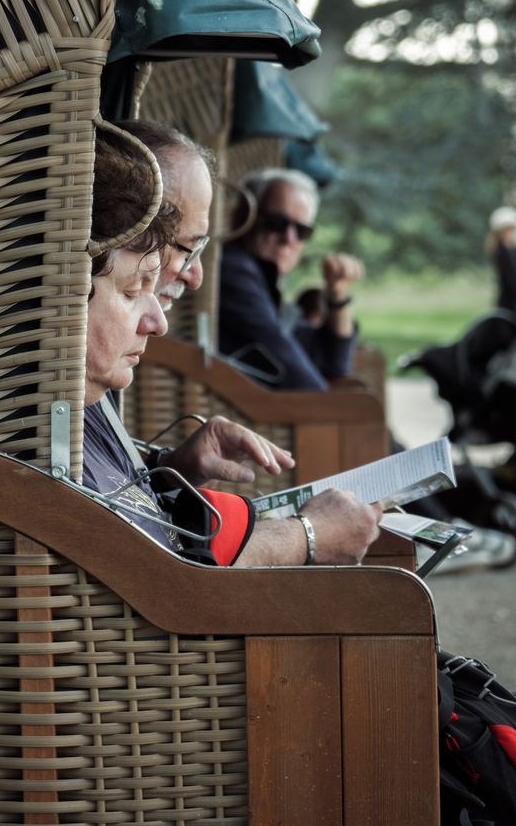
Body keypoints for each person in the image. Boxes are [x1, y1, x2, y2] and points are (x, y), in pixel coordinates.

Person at [82, 123, 382, 568]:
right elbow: (153, 573)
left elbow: (120, 517)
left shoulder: (84, 399)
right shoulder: (56, 404)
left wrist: (175, 469)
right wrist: (307, 537)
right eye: (185, 247)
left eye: (303, 232)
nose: (159, 323)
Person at [218, 168, 364, 391]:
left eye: (302, 230)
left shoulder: (263, 278)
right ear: (247, 216)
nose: (289, 238)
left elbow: (333, 365)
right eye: (277, 223)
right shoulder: (234, 270)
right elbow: (290, 365)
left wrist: (337, 293)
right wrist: (330, 413)